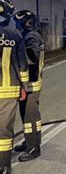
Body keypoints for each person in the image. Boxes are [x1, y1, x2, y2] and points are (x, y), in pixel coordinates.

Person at [0, 0, 29, 174]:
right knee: (4, 131)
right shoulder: (16, 35)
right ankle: (3, 165)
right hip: (9, 92)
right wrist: (23, 87)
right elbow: (23, 66)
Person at [13, 10, 44, 162]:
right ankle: (30, 141)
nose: (16, 25)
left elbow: (33, 57)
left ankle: (33, 148)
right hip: (31, 82)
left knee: (30, 116)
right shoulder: (33, 34)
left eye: (18, 22)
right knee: (29, 116)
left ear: (26, 22)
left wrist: (18, 52)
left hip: (30, 84)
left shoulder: (30, 36)